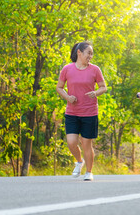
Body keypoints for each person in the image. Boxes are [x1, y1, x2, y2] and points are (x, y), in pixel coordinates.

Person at [56, 41, 107, 181]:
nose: (90, 56)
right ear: (79, 52)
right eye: (88, 53)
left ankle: (89, 172)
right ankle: (79, 161)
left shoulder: (95, 69)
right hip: (72, 112)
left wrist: (95, 93)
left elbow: (103, 87)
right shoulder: (67, 69)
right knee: (71, 142)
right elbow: (59, 87)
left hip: (89, 112)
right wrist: (67, 97)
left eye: (92, 54)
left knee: (86, 143)